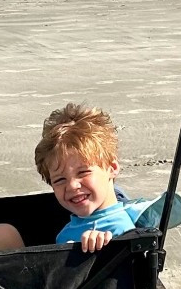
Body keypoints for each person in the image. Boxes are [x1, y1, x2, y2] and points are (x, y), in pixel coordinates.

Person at [36, 103, 151, 252]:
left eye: (83, 172)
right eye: (59, 180)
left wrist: (103, 253)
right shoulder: (65, 233)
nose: (72, 186)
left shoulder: (125, 231)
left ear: (112, 168)